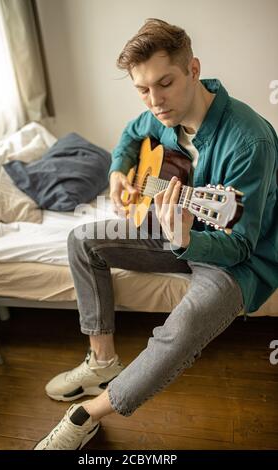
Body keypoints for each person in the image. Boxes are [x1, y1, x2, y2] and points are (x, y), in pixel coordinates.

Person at [34, 18, 278, 450]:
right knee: (82, 239)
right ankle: (103, 360)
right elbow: (131, 135)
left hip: (238, 258)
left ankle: (85, 416)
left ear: (194, 69)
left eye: (164, 84)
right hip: (174, 227)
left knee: (181, 328)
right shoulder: (162, 119)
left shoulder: (250, 140)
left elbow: (241, 243)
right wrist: (116, 174)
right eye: (142, 90)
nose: (154, 101)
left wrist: (186, 241)